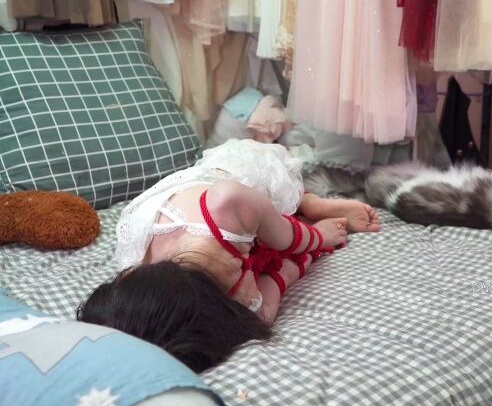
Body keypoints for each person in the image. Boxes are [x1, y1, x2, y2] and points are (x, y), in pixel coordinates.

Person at [78, 139, 379, 372]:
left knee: (280, 206)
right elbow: (284, 276)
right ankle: (301, 208)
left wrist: (319, 236)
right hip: (226, 235)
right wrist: (306, 259)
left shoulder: (227, 203)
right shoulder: (244, 309)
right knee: (276, 260)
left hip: (231, 184)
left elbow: (290, 237)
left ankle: (309, 203)